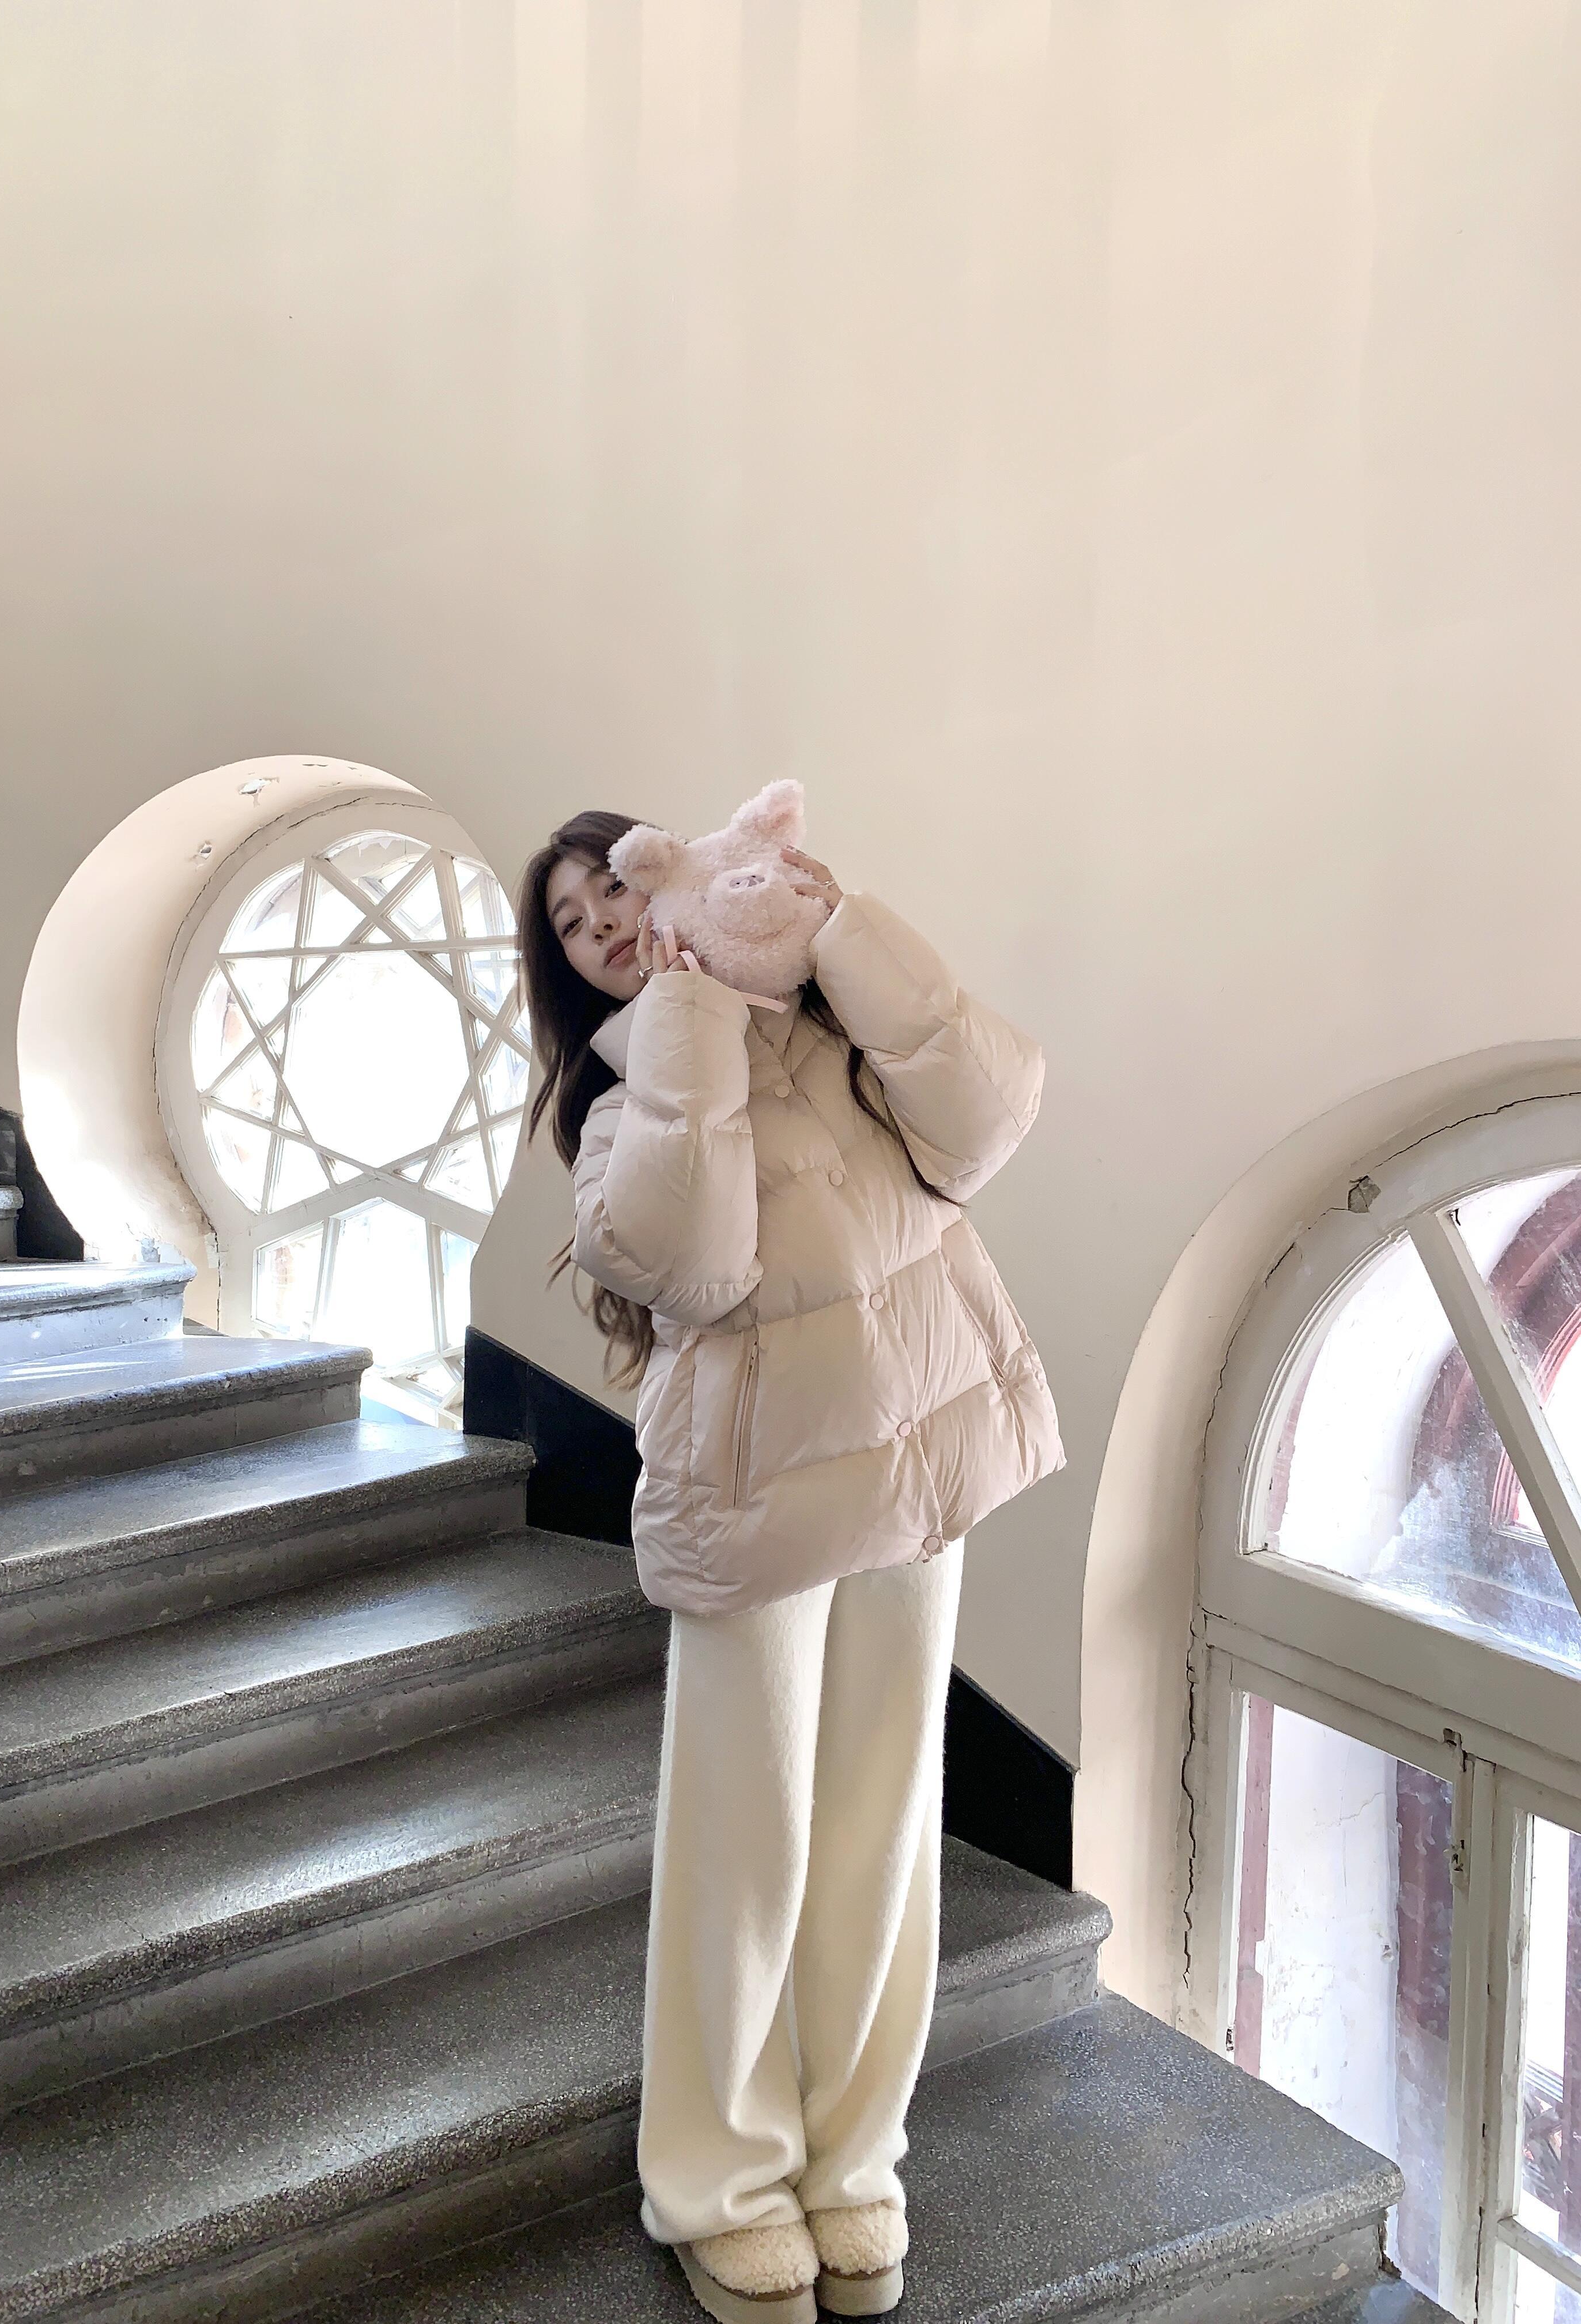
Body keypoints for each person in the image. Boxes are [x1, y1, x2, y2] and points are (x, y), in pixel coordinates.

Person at [515, 808, 1062, 2324]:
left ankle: (854, 2160)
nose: (606, 925)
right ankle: (721, 2185)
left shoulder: (842, 1041)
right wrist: (687, 1015)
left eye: (616, 887)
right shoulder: (621, 1113)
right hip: (759, 1499)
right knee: (743, 1852)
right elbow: (689, 1265)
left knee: (882, 1831)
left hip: (924, 1462)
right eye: (574, 926)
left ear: (683, 871)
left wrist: (837, 928)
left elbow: (990, 1109)